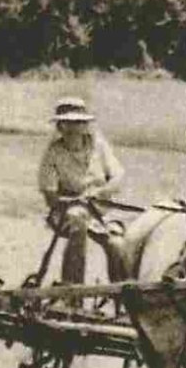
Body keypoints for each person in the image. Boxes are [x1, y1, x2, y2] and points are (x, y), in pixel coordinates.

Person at [36, 97, 125, 285]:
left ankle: (122, 297)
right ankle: (73, 290)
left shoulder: (99, 145)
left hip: (100, 213)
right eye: (69, 123)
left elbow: (117, 177)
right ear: (60, 127)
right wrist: (76, 200)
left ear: (86, 125)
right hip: (65, 213)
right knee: (78, 219)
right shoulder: (53, 153)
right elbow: (50, 196)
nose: (74, 129)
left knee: (117, 245)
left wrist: (101, 193)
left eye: (79, 122)